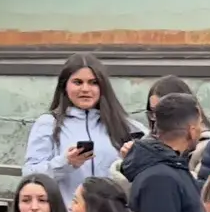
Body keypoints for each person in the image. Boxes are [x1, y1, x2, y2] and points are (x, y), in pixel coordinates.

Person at [24, 54, 137, 200]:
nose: (85, 89)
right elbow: (30, 175)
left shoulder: (124, 124)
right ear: (64, 85)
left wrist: (130, 160)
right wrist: (66, 163)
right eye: (77, 82)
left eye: (93, 82)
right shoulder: (48, 123)